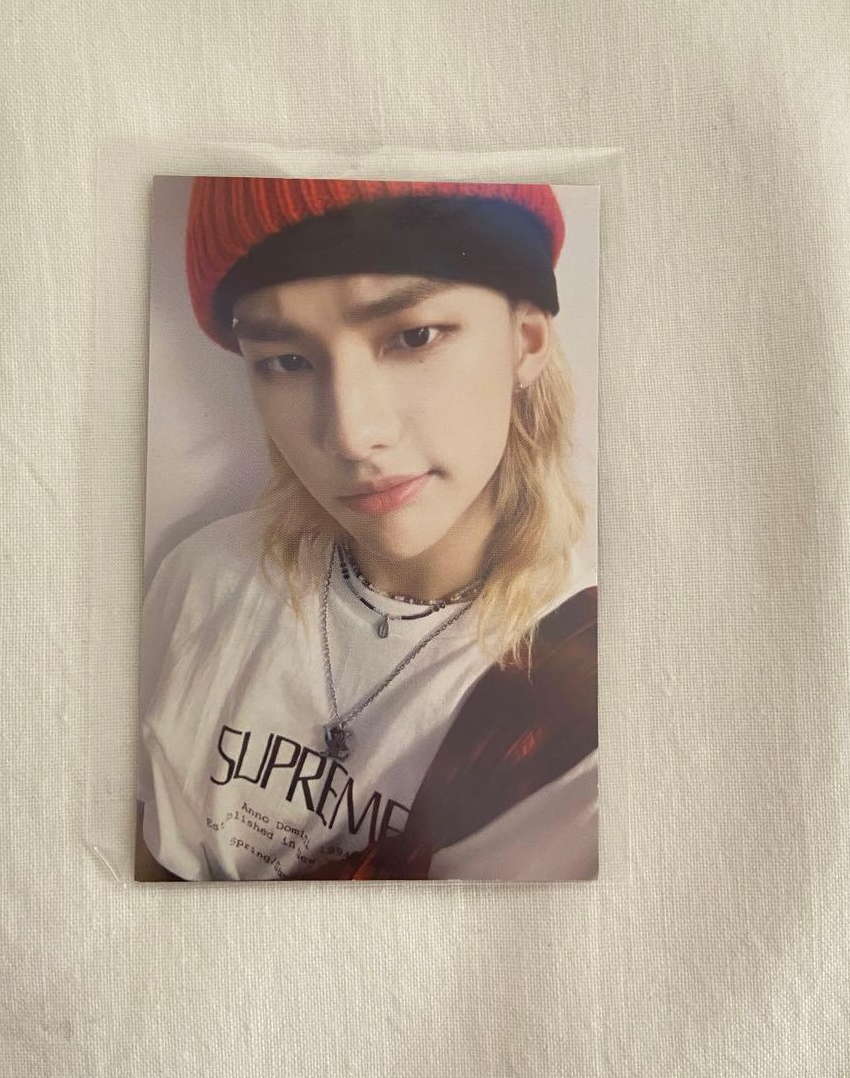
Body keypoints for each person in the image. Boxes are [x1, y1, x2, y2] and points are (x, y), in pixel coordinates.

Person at [135, 177, 598, 882]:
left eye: (414, 337)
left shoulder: (587, 708)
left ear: (525, 341)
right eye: (287, 360)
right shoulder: (204, 579)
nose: (351, 435)